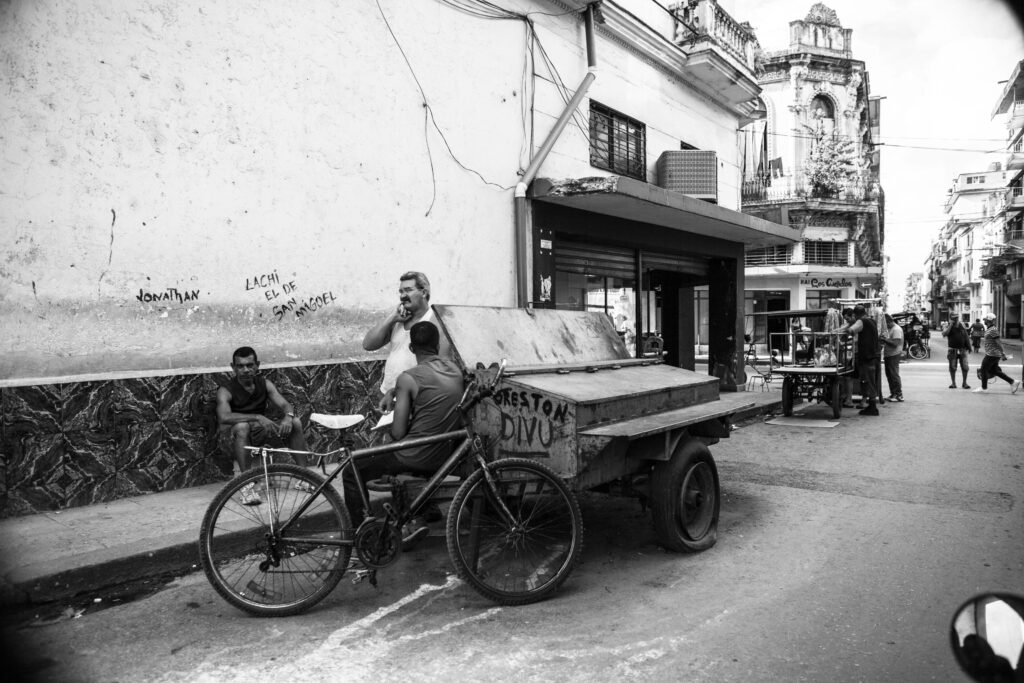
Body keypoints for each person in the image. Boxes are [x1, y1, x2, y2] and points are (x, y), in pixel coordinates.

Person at [344, 321, 465, 545]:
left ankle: (362, 535)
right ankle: (419, 513)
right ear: (437, 346)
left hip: (415, 456)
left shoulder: (408, 378)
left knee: (353, 469)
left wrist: (399, 397)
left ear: (411, 348)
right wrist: (395, 391)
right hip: (445, 455)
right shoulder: (456, 371)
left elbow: (398, 433)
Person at [216, 347, 310, 505]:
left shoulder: (265, 384)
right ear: (233, 367)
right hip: (231, 437)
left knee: (295, 422)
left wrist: (288, 417)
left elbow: (285, 404)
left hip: (259, 431)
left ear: (257, 365)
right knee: (242, 427)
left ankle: (304, 478)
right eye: (240, 366)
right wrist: (257, 417)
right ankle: (246, 485)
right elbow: (224, 417)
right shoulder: (225, 390)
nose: (246, 370)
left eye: (249, 365)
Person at [363, 271, 451, 413]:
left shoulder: (436, 322)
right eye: (401, 291)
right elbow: (368, 345)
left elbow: (440, 367)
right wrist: (392, 317)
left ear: (423, 293)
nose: (403, 296)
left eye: (408, 290)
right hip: (387, 395)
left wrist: (400, 391)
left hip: (415, 398)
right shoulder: (398, 321)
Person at [844, 305, 880, 415]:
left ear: (855, 314)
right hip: (873, 355)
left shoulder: (861, 321)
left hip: (866, 356)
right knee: (871, 381)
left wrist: (845, 331)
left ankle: (872, 408)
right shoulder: (872, 321)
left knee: (866, 381)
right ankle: (871, 406)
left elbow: (851, 330)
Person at [973, 314, 1021, 394]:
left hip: (992, 354)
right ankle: (1013, 382)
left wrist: (1003, 353)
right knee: (994, 370)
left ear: (989, 320)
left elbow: (999, 342)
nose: (984, 321)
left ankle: (984, 388)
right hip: (992, 353)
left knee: (984, 369)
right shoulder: (990, 329)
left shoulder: (993, 330)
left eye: (985, 320)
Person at [943, 318, 972, 389]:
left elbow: (966, 336)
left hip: (963, 349)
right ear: (950, 318)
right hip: (952, 350)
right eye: (953, 318)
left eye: (956, 318)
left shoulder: (962, 325)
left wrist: (969, 346)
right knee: (952, 367)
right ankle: (953, 383)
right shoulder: (947, 325)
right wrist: (950, 325)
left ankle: (964, 383)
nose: (955, 319)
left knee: (965, 367)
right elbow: (944, 334)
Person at [882, 315, 904, 402]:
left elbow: (895, 343)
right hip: (889, 355)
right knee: (890, 375)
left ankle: (898, 394)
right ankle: (893, 393)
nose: (886, 326)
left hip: (894, 355)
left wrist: (885, 339)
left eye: (886, 324)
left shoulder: (896, 330)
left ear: (888, 321)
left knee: (894, 375)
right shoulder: (891, 329)